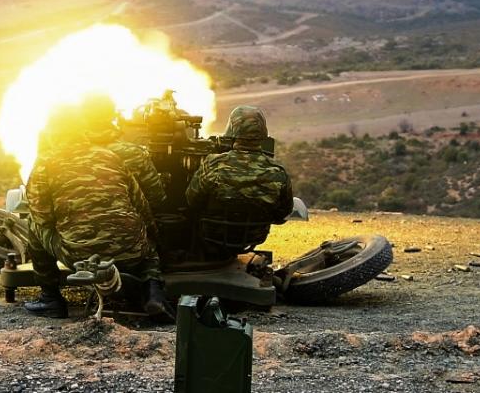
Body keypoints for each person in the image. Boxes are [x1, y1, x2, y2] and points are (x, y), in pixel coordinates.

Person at [23, 106, 172, 320]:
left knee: (33, 223)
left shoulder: (45, 164)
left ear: (52, 133)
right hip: (130, 251)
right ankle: (153, 292)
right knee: (147, 247)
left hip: (81, 258)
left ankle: (50, 298)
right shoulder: (110, 157)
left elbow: (41, 216)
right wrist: (152, 237)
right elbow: (142, 206)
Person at [185, 105, 293, 257]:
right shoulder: (278, 172)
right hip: (253, 237)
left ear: (232, 130)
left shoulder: (213, 164)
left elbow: (192, 200)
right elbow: (282, 215)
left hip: (212, 234)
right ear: (263, 133)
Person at [80, 94, 166, 229]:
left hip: (75, 235)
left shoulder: (64, 156)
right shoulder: (134, 153)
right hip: (126, 233)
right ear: (112, 116)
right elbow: (157, 198)